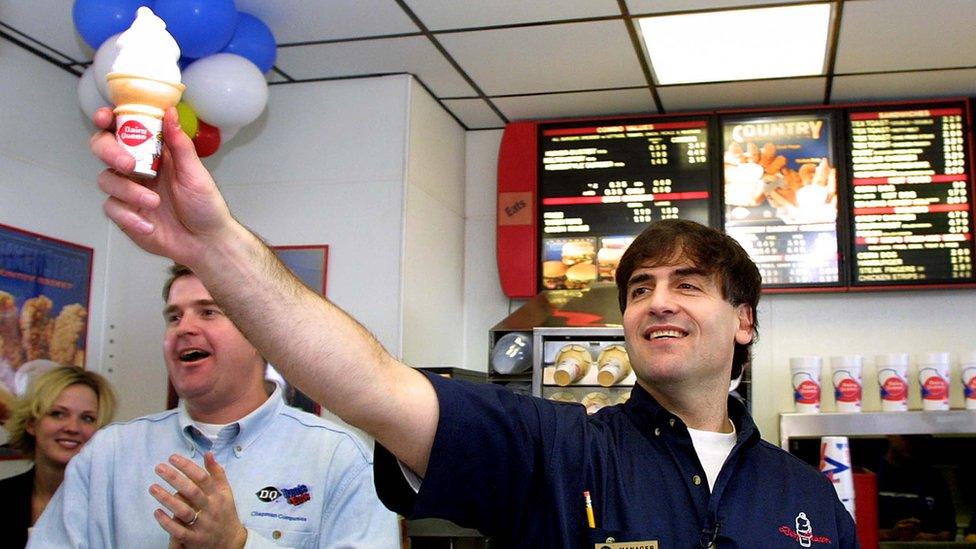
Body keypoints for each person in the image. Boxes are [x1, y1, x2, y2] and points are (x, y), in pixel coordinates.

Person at [88, 106, 857, 546]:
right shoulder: (554, 448)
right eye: (640, 288)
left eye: (687, 285)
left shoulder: (811, 500)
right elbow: (372, 384)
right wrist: (218, 249)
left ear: (745, 321)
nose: (657, 301)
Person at [29, 264, 399, 547]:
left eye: (208, 312)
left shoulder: (340, 459)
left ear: (260, 334)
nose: (183, 328)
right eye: (175, 316)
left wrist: (238, 543)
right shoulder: (106, 456)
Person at [1, 365, 116, 547]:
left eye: (87, 418)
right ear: (31, 423)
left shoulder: (114, 507)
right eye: (58, 414)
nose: (72, 428)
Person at [877, 435, 957, 541]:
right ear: (890, 435)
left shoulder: (933, 478)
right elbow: (856, 530)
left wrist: (930, 538)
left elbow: (949, 531)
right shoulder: (870, 474)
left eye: (917, 437)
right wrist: (891, 534)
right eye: (906, 437)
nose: (912, 442)